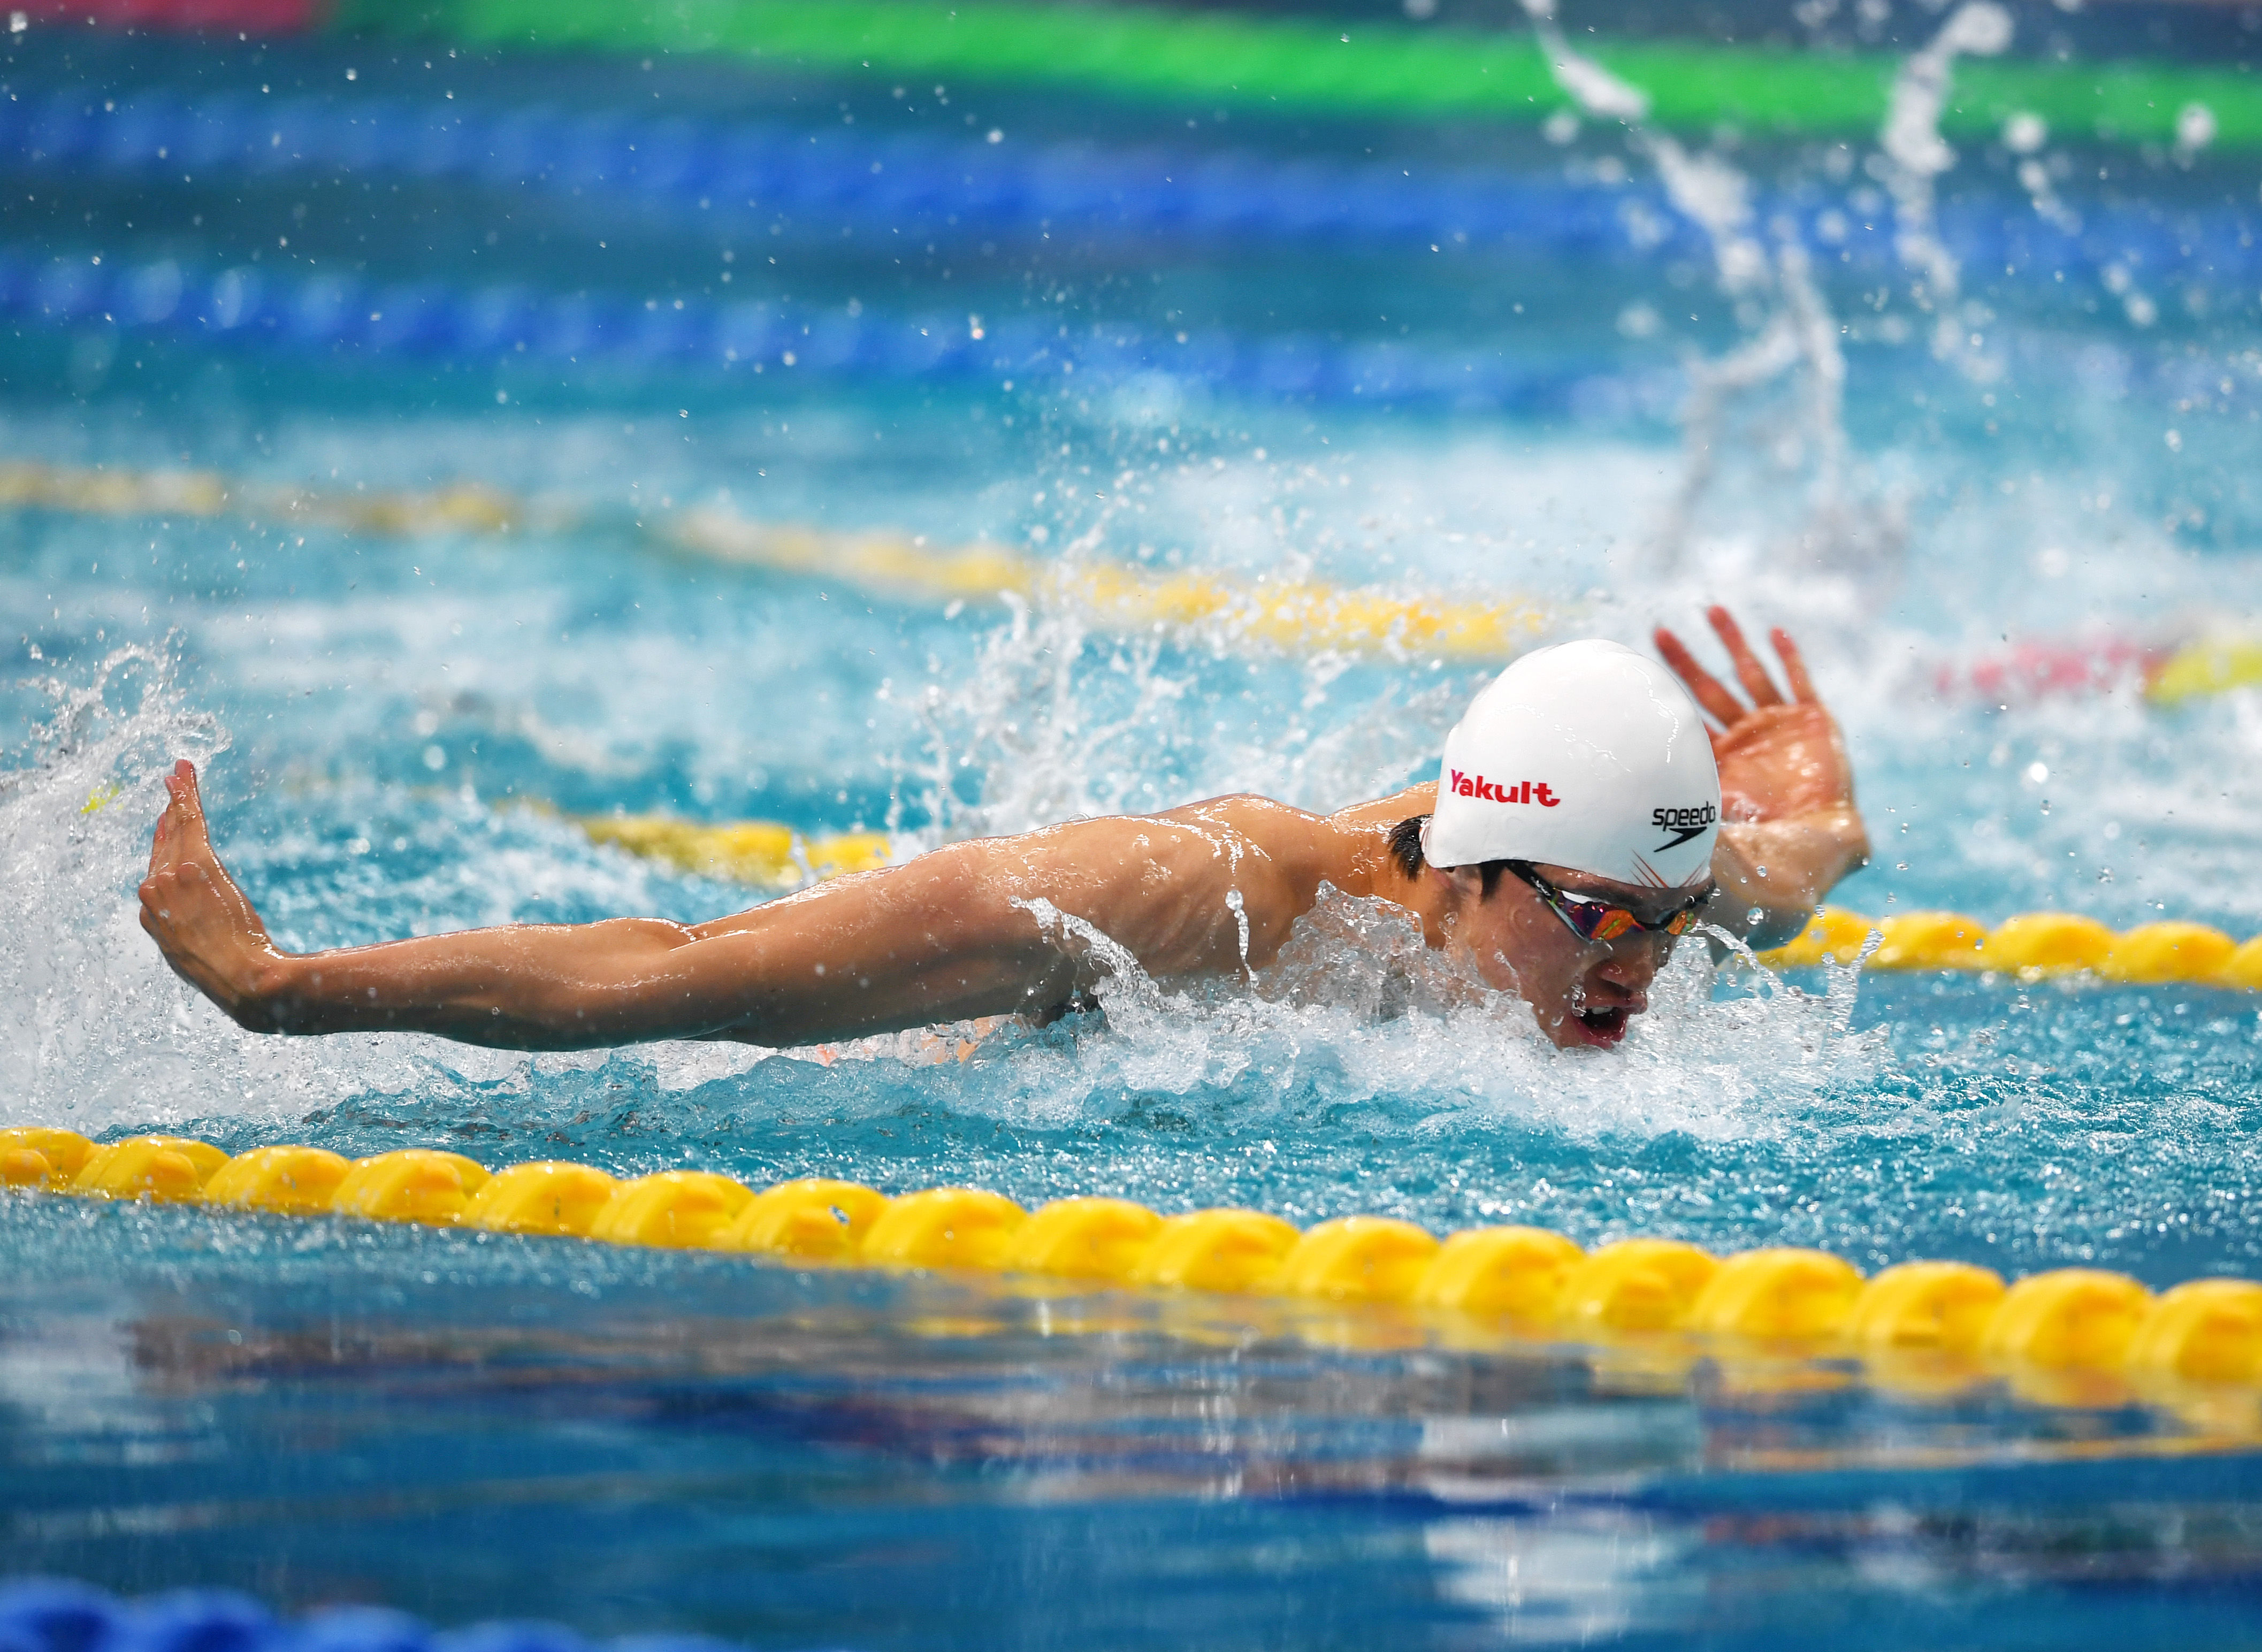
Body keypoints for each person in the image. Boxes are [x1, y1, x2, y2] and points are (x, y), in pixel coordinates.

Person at [140, 606, 1867, 1053]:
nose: (1641, 966)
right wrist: (288, 987)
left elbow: (1785, 880)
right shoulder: (1190, 896)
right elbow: (682, 972)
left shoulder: (1618, 889)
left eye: (1663, 917)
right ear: (1466, 864)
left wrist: (1823, 815)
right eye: (1596, 920)